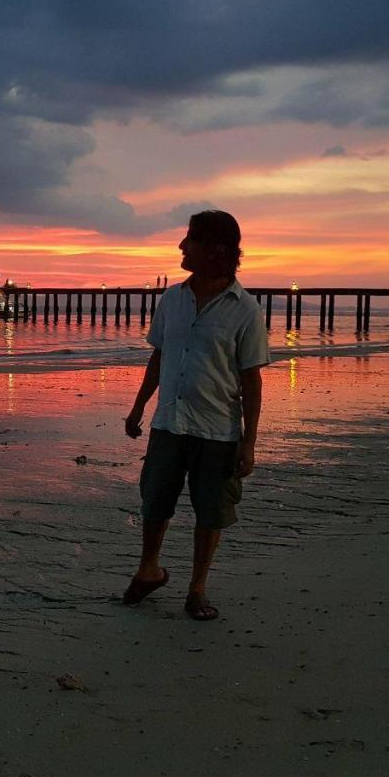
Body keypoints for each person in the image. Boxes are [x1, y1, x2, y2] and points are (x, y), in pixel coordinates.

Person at [122, 210, 270, 620]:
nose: (181, 247)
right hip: (169, 421)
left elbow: (251, 379)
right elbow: (159, 356)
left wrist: (250, 441)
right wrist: (138, 407)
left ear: (215, 250)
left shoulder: (244, 309)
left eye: (189, 240)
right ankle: (149, 568)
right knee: (155, 499)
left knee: (211, 509)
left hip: (218, 429)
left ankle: (197, 589)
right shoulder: (172, 299)